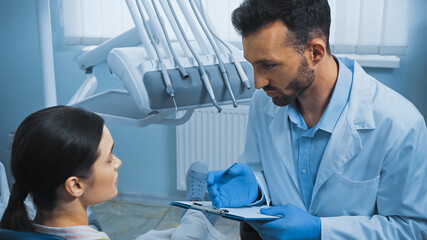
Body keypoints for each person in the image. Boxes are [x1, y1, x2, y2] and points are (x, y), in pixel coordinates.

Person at [206, 0, 427, 239]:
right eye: (252, 65)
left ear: (315, 52)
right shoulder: (265, 103)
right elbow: (261, 171)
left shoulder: (400, 124)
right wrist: (255, 190)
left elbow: (411, 228)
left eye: (268, 65)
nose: (258, 82)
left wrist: (320, 231)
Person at [0, 106, 224, 240]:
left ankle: (196, 211)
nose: (118, 162)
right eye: (109, 158)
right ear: (75, 185)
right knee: (190, 231)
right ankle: (198, 211)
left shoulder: (19, 226)